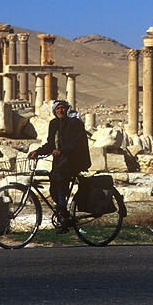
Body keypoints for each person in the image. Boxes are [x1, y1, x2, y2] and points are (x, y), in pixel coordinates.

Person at [29, 99, 91, 231]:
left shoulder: (74, 123)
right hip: (61, 160)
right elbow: (50, 144)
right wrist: (37, 152)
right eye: (57, 109)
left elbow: (76, 142)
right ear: (54, 111)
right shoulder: (54, 123)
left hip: (75, 159)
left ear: (67, 109)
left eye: (62, 108)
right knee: (54, 184)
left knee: (59, 176)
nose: (60, 111)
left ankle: (63, 209)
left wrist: (62, 150)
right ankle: (64, 215)